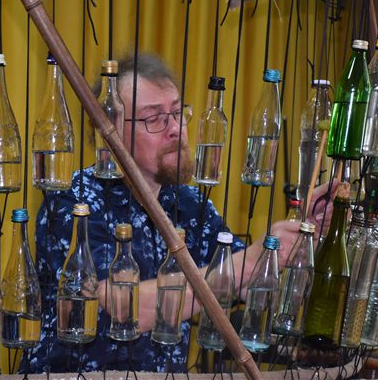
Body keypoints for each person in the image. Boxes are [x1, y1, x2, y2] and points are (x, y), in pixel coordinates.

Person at [23, 52, 334, 373]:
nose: (175, 129)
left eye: (177, 113)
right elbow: (123, 307)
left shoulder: (188, 203)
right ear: (109, 129)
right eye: (154, 118)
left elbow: (246, 285)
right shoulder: (74, 200)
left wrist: (296, 242)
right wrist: (247, 264)